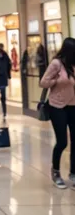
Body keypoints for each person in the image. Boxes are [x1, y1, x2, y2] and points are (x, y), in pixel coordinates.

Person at [40, 37, 75, 190]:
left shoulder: (74, 65)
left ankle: (73, 173)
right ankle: (56, 172)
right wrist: (55, 80)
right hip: (57, 106)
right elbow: (43, 82)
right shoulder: (56, 64)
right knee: (62, 142)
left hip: (73, 106)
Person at [0, 43, 11, 123]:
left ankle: (4, 113)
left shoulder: (5, 57)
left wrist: (8, 75)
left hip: (3, 79)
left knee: (3, 97)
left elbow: (9, 66)